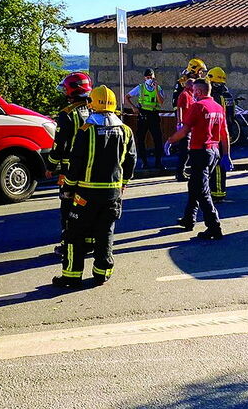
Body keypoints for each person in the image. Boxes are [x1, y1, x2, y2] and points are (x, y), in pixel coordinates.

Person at [54, 86, 136, 289]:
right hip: (113, 193)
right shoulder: (126, 131)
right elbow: (130, 161)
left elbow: (76, 163)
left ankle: (71, 276)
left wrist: (69, 188)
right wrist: (123, 183)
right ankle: (102, 273)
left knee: (74, 234)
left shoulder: (86, 131)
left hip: (85, 193)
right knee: (105, 232)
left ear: (92, 104)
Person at [167, 78, 231, 240]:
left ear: (199, 92)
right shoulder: (217, 107)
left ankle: (214, 227)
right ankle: (189, 219)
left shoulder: (198, 106)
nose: (192, 94)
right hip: (213, 151)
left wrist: (170, 141)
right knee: (194, 184)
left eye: (194, 91)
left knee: (202, 191)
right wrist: (226, 155)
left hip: (200, 152)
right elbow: (225, 134)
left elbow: (185, 129)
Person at [46, 72, 94, 258]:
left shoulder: (67, 115)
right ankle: (89, 242)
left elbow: (59, 146)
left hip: (69, 170)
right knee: (86, 206)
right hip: (90, 169)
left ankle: (68, 245)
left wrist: (50, 166)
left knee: (68, 208)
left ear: (72, 91)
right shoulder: (94, 110)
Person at [126, 68, 165, 170]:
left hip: (154, 115)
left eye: (151, 77)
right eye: (147, 78)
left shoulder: (159, 88)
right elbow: (127, 96)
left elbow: (161, 102)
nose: (149, 79)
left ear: (154, 78)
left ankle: (158, 162)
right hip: (143, 114)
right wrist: (133, 107)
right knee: (141, 138)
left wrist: (156, 89)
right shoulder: (140, 88)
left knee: (157, 139)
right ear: (144, 78)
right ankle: (144, 162)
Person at [207, 67, 234, 202]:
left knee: (217, 166)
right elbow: (231, 116)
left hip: (216, 134)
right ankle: (216, 191)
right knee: (218, 164)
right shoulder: (227, 94)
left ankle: (217, 193)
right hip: (225, 133)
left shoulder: (216, 96)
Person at [174, 77, 195, 182]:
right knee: (184, 151)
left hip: (189, 126)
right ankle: (179, 173)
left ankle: (182, 170)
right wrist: (180, 123)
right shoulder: (185, 95)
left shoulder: (191, 95)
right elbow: (180, 108)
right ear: (190, 85)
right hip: (185, 127)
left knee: (187, 150)